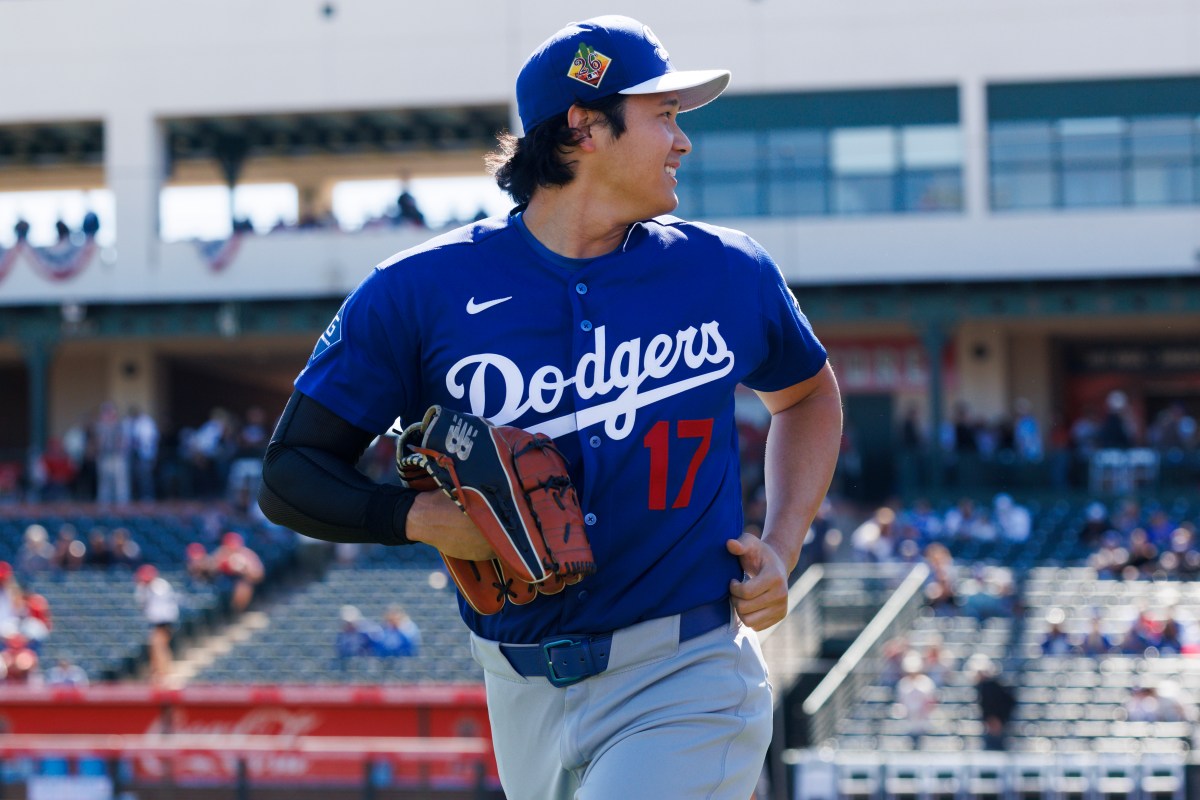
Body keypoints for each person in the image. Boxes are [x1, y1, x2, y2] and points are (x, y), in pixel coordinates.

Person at [258, 15, 842, 800]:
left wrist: (783, 539)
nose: (683, 140)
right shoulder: (418, 290)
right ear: (583, 127)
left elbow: (806, 394)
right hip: (518, 689)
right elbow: (290, 472)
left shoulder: (726, 270)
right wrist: (419, 518)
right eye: (662, 115)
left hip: (687, 673)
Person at [134, 564, 180, 685]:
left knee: (158, 646)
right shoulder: (144, 587)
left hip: (164, 621)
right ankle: (158, 672)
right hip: (156, 622)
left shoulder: (160, 586)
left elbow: (156, 606)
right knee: (157, 647)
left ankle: (164, 673)